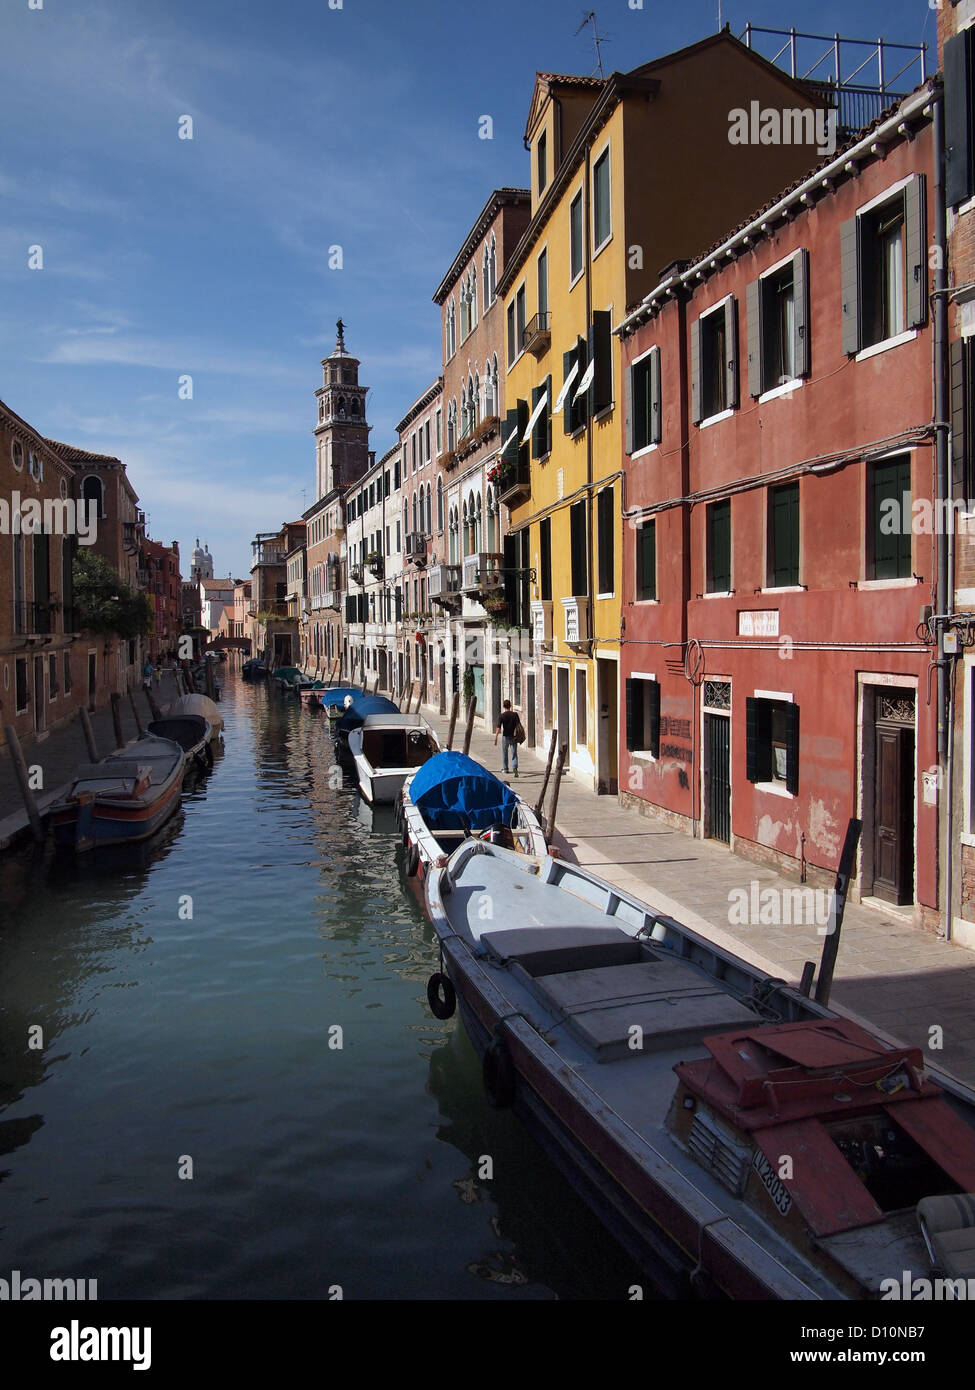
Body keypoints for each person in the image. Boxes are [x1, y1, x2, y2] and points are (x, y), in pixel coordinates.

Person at [495, 699, 520, 777]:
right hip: (513, 736)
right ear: (510, 706)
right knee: (514, 753)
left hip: (505, 736)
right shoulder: (515, 715)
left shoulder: (501, 716)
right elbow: (518, 725)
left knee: (505, 753)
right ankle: (515, 768)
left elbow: (498, 727)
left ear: (503, 706)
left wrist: (496, 737)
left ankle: (505, 769)